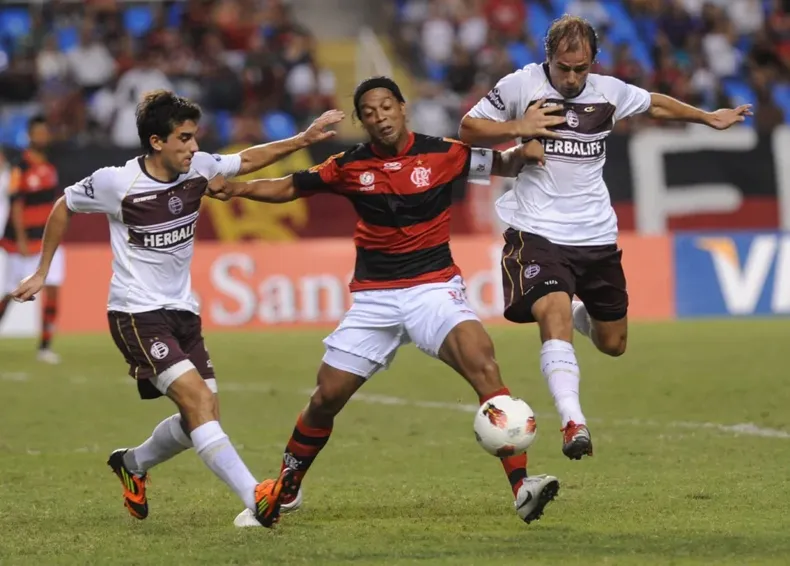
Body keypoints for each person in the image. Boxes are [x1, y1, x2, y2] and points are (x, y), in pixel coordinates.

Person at [208, 76, 562, 528]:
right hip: (375, 299)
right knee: (326, 398)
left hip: (433, 289)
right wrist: (237, 188)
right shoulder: (348, 165)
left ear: (402, 107)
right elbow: (292, 186)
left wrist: (527, 147)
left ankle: (522, 488)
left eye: (386, 106)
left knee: (484, 364)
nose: (379, 117)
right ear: (362, 121)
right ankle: (286, 488)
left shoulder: (445, 153)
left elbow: (505, 166)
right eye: (369, 112)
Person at [11, 90, 344, 528]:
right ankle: (257, 497)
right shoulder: (117, 183)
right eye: (184, 138)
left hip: (183, 311)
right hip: (135, 312)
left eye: (194, 138)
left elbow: (246, 160)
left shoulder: (199, 168)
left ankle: (132, 463)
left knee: (201, 418)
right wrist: (40, 271)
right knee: (198, 400)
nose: (193, 147)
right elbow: (64, 205)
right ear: (156, 142)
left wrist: (302, 139)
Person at [458, 15, 752, 460]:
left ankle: (583, 315)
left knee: (613, 344)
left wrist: (707, 118)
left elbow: (653, 103)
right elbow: (469, 129)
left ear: (594, 61)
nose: (572, 78)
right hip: (537, 229)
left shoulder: (609, 92)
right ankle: (574, 421)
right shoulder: (521, 86)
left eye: (581, 68)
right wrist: (520, 129)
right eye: (563, 68)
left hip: (595, 233)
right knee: (551, 310)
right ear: (547, 60)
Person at [0, 117, 64, 363]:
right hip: (23, 244)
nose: (42, 137)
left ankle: (45, 347)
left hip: (48, 241)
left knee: (54, 290)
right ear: (29, 136)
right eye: (37, 133)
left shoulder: (50, 166)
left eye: (44, 133)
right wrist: (23, 239)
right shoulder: (20, 167)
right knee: (10, 293)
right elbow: (16, 204)